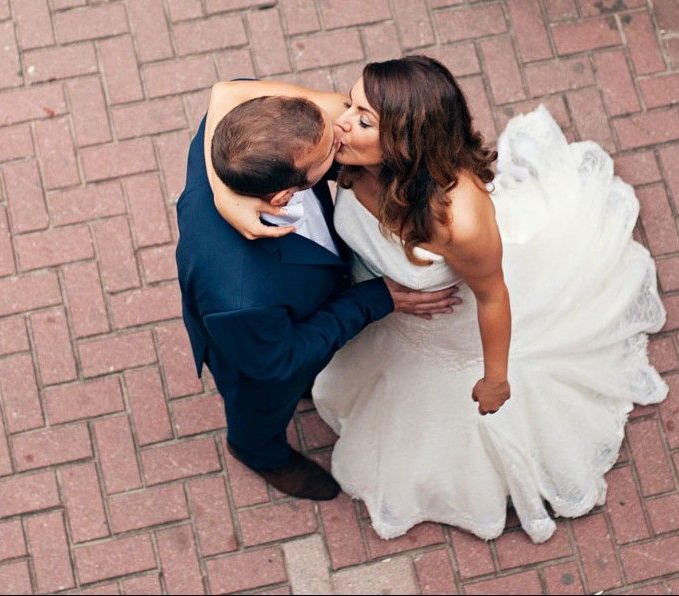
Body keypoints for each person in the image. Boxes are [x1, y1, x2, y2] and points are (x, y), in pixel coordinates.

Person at [209, 56, 667, 543]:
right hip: (387, 304)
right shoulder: (347, 133)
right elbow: (225, 96)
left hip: (450, 324)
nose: (340, 123)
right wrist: (227, 196)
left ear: (406, 142)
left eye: (363, 119)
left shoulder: (460, 220)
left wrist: (495, 380)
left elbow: (493, 296)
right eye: (351, 102)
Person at [174, 85, 460, 501]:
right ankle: (258, 453)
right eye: (330, 150)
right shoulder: (241, 298)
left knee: (309, 366)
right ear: (283, 195)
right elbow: (278, 359)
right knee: (263, 402)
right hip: (259, 355)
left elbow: (227, 92)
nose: (340, 133)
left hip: (294, 302)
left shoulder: (232, 137)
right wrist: (378, 298)